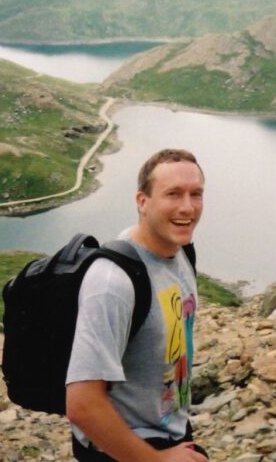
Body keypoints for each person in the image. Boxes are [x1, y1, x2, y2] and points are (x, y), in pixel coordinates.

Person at [66, 149, 209, 461]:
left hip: (168, 434)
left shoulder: (181, 253)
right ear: (142, 202)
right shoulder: (112, 282)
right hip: (123, 449)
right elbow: (82, 405)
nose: (187, 207)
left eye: (196, 194)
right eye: (173, 194)